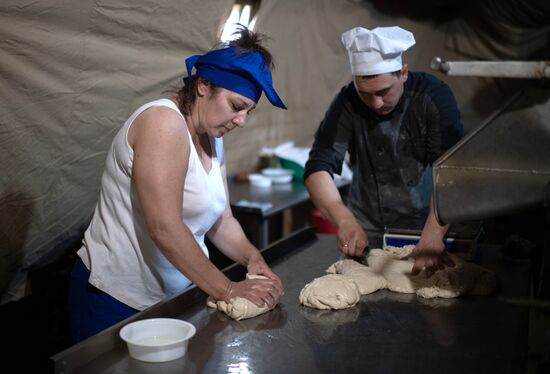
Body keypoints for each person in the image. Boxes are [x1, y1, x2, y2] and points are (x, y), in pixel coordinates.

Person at [69, 26, 286, 343]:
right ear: (203, 86)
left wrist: (252, 258)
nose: (241, 121)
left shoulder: (213, 139)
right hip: (116, 300)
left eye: (248, 112)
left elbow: (222, 220)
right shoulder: (163, 123)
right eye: (236, 106)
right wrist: (227, 288)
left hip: (174, 296)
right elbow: (163, 225)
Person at [304, 26, 464, 278]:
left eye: (383, 92)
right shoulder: (347, 102)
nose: (376, 103)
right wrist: (344, 220)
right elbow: (317, 167)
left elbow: (453, 170)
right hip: (367, 227)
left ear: (403, 72)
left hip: (427, 223)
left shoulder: (432, 96)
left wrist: (433, 233)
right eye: (365, 94)